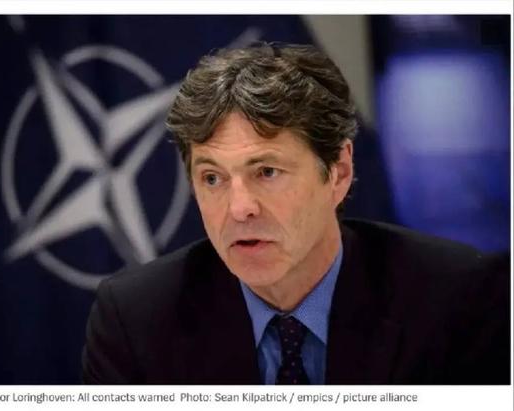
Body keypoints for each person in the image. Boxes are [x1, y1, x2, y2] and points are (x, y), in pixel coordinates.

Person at [81, 43, 510, 384]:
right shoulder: (136, 320)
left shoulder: (459, 300)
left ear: (339, 172)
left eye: (267, 172)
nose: (239, 209)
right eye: (212, 178)